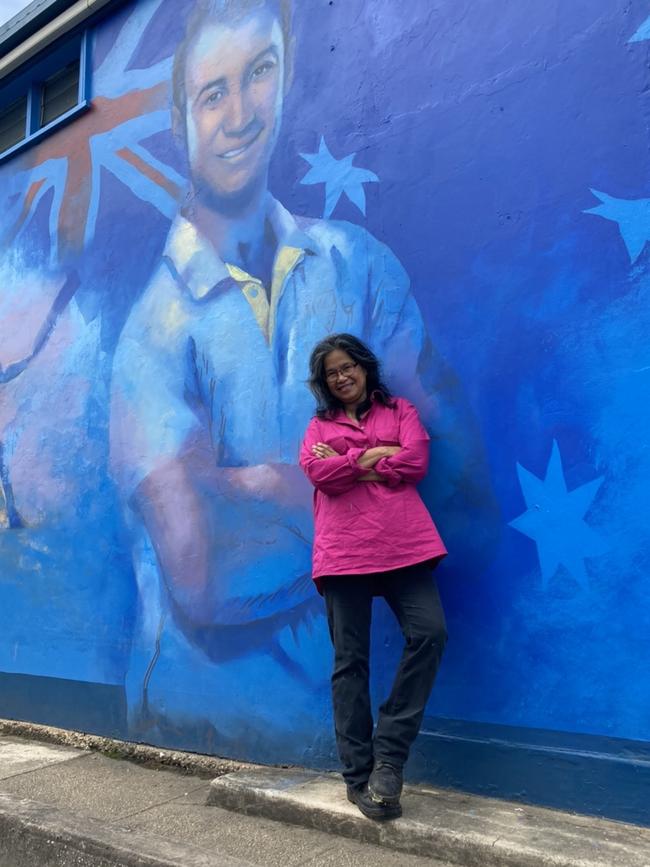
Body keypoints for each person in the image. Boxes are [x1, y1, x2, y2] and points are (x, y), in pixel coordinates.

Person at [110, 0, 493, 755]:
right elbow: (207, 567)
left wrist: (261, 482)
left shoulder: (358, 262)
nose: (241, 112)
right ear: (179, 121)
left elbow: (457, 476)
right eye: (212, 93)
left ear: (287, 78)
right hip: (202, 728)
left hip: (332, 716)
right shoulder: (149, 336)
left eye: (260, 73)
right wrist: (367, 478)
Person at [300, 333, 448, 821]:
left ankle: (390, 753)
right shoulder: (317, 426)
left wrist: (349, 462)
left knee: (429, 634)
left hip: (404, 545)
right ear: (324, 384)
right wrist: (375, 456)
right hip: (343, 553)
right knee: (350, 663)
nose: (341, 378)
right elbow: (317, 475)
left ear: (364, 367)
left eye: (348, 367)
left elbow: (417, 461)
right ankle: (359, 775)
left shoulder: (400, 410)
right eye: (331, 374)